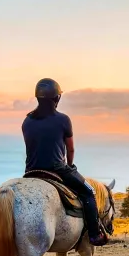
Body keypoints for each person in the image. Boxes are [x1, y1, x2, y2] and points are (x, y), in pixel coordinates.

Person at [22, 78, 108, 247]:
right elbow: (70, 150)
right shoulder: (63, 120)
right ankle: (94, 234)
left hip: (31, 170)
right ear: (57, 98)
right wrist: (70, 165)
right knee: (89, 192)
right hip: (57, 169)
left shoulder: (27, 121)